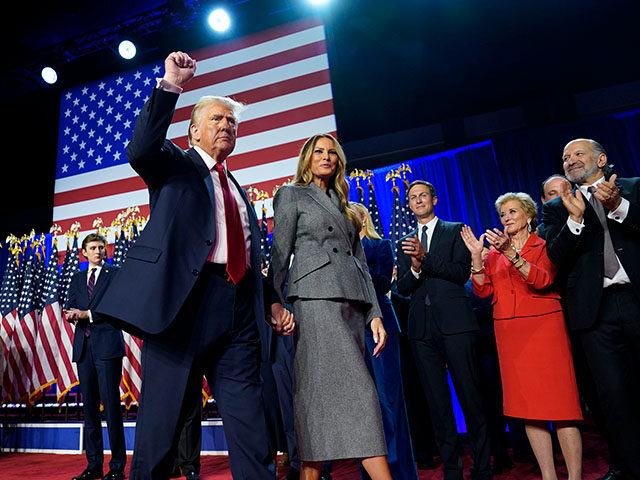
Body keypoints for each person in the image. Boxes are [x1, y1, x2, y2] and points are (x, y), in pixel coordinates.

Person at [95, 51, 281, 480]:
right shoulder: (175, 165)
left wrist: (269, 300)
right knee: (161, 427)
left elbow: (249, 255)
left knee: (250, 423)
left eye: (232, 122)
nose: (227, 126)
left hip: (238, 314)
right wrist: (171, 85)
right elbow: (141, 148)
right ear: (194, 130)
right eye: (217, 119)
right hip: (183, 308)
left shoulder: (236, 189)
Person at [268, 133, 392, 480]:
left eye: (332, 153)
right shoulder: (291, 194)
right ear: (307, 158)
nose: (326, 157)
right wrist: (274, 301)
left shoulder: (346, 205)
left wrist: (375, 313)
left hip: (352, 306)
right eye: (319, 152)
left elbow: (360, 261)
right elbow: (279, 253)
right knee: (339, 397)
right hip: (314, 302)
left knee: (343, 399)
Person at [461, 192, 583, 480]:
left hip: (545, 330)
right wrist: (477, 259)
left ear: (529, 216)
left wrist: (511, 254)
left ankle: (575, 477)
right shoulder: (493, 254)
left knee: (562, 408)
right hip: (509, 334)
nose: (507, 218)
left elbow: (542, 280)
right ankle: (548, 476)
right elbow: (483, 291)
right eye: (503, 214)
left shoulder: (543, 245)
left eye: (513, 212)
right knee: (531, 410)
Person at [542, 138, 640, 479]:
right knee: (613, 397)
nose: (569, 160)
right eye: (565, 157)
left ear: (602, 159)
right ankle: (630, 467)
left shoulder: (633, 188)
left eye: (577, 154)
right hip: (594, 314)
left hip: (636, 299)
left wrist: (619, 207)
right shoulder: (558, 207)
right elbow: (554, 257)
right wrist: (574, 221)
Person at [396, 180, 492, 480]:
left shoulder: (455, 230)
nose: (418, 200)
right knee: (438, 404)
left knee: (470, 398)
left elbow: (460, 273)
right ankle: (452, 469)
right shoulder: (405, 240)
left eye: (423, 195)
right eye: (413, 198)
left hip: (456, 326)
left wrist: (425, 259)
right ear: (409, 205)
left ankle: (482, 467)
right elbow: (402, 288)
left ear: (434, 200)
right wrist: (413, 268)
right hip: (421, 332)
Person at [351, 202, 418, 480]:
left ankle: (400, 471)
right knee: (365, 407)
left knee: (389, 403)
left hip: (382, 328)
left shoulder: (381, 246)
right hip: (353, 332)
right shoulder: (341, 250)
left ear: (363, 219)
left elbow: (379, 284)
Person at [64, 233, 126, 480]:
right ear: (84, 253)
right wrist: (70, 314)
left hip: (108, 348)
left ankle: (117, 467)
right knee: (89, 409)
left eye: (101, 247)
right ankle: (93, 466)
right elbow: (69, 304)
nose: (99, 251)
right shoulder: (77, 278)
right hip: (84, 349)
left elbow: (118, 307)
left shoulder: (115, 274)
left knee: (111, 408)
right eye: (93, 248)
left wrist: (87, 314)